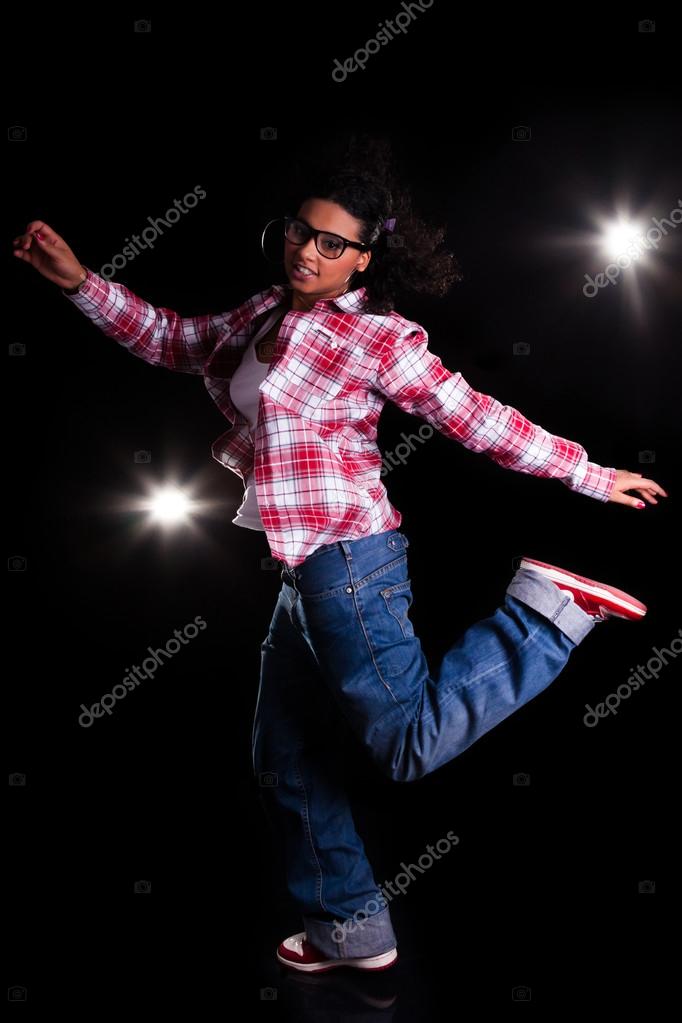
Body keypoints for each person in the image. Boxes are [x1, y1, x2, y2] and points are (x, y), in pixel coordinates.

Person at [12, 139, 668, 975]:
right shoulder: (262, 315)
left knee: (407, 745)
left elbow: (475, 416)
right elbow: (174, 340)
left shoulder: (376, 336)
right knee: (283, 758)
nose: (306, 251)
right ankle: (352, 928)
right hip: (303, 571)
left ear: (365, 258)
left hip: (351, 561)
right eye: (299, 232)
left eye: (331, 243)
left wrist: (587, 473)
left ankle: (547, 612)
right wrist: (78, 281)